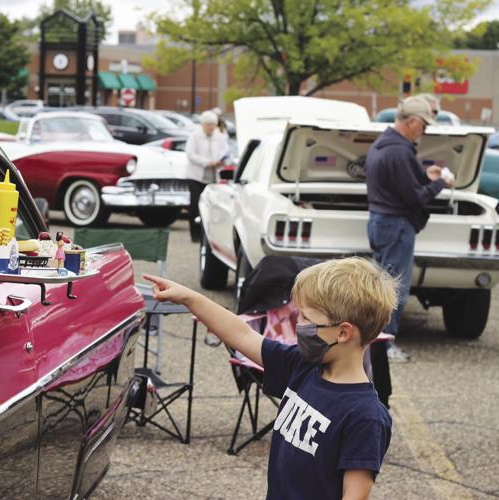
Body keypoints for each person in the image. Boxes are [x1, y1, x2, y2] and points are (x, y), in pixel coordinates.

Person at [143, 257, 395, 499]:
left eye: (306, 318)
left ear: (342, 332)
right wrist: (190, 297)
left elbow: (355, 495)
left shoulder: (365, 416)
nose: (299, 325)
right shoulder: (303, 365)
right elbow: (243, 335)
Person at [365, 95, 454, 404]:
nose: (424, 131)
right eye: (424, 125)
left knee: (380, 285)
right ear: (412, 121)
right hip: (396, 225)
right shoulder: (400, 152)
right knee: (394, 290)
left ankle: (375, 342)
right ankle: (385, 345)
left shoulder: (381, 146)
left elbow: (402, 185)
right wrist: (440, 182)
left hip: (379, 220)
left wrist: (424, 176)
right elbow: (415, 198)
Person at [185, 110, 230, 242]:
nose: (211, 127)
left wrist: (222, 161)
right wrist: (207, 163)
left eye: (213, 124)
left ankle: (209, 235)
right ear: (203, 124)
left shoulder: (220, 136)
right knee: (194, 206)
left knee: (211, 208)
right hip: (196, 177)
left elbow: (227, 154)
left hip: (213, 178)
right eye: (209, 124)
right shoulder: (195, 136)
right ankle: (195, 235)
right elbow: (190, 154)